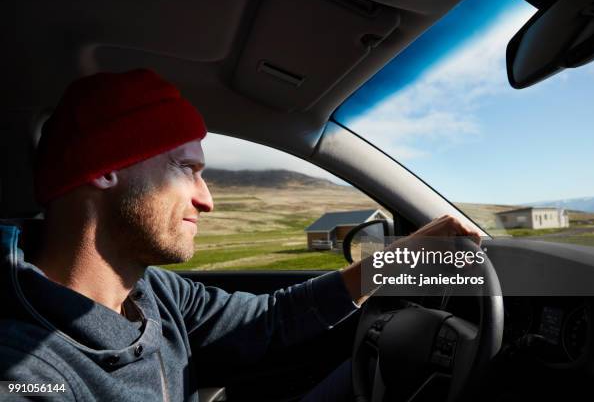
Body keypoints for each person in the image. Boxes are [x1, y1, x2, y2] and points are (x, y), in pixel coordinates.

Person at [0, 69, 480, 401]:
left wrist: (392, 263)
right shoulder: (25, 367)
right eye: (186, 169)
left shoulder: (150, 290)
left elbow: (271, 319)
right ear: (106, 169)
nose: (207, 199)